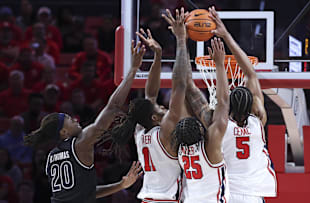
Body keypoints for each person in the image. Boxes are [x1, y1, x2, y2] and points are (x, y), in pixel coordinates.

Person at [24, 41, 146, 202]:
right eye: (68, 120)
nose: (74, 119)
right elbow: (113, 107)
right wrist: (133, 70)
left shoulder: (52, 157)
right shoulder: (80, 144)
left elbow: (85, 193)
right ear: (63, 132)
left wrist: (121, 185)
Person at [185, 7, 277, 203]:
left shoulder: (218, 122)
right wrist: (226, 35)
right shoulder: (258, 120)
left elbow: (222, 101)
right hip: (253, 194)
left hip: (227, 193)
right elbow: (250, 73)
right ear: (252, 104)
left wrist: (219, 64)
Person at [111, 8, 191, 202]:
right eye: (160, 109)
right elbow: (179, 86)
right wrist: (181, 40)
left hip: (149, 198)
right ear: (154, 118)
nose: (164, 108)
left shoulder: (141, 132)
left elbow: (151, 95)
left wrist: (158, 56)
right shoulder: (163, 131)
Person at [175, 37, 230, 203]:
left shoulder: (181, 152)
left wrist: (181, 41)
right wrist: (219, 64)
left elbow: (221, 103)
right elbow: (223, 101)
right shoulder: (211, 147)